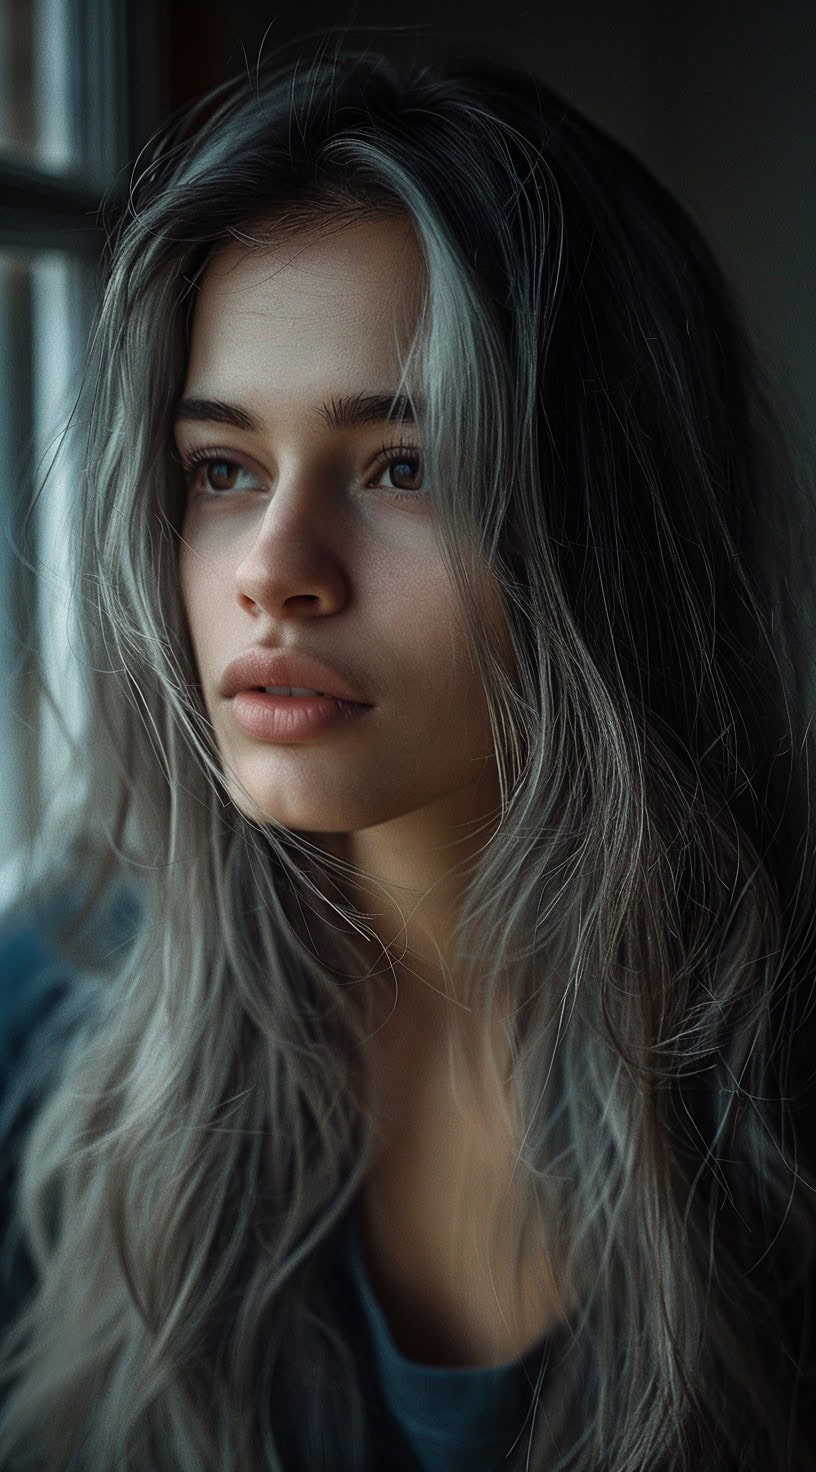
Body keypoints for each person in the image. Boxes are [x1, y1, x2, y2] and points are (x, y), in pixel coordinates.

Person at [0, 32, 815, 1472]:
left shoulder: (773, 1072)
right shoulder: (55, 1010)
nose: (276, 571)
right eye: (222, 469)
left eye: (405, 467)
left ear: (609, 521)